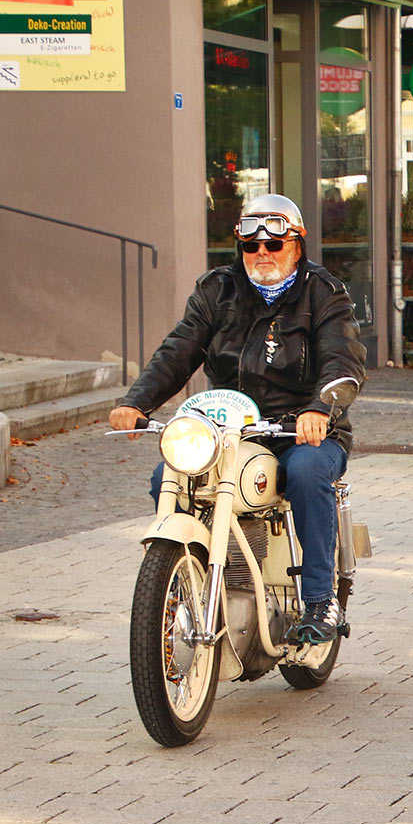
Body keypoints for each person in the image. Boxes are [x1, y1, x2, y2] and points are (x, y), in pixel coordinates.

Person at [108, 194, 366, 645]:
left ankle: (321, 600)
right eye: (252, 245)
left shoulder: (324, 292)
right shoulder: (217, 290)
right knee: (166, 477)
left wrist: (318, 410)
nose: (262, 252)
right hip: (228, 430)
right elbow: (180, 349)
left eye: (275, 242)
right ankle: (187, 578)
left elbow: (343, 361)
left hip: (299, 429)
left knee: (306, 473)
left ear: (297, 243)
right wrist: (138, 401)